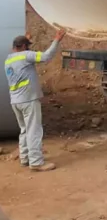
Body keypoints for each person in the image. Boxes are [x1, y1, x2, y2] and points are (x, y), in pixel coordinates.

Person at [4, 29, 66, 172]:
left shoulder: (9, 59)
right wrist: (56, 39)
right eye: (27, 46)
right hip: (28, 100)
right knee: (34, 130)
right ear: (25, 47)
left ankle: (25, 158)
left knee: (24, 130)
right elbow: (46, 56)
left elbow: (21, 50)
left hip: (16, 101)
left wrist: (24, 40)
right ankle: (36, 162)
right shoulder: (26, 56)